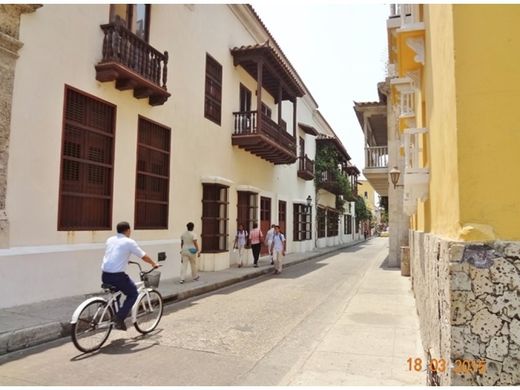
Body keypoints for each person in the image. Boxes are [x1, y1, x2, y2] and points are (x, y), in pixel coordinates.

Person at [101, 221, 159, 331]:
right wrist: (153, 263)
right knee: (133, 293)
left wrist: (124, 260)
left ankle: (117, 319)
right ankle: (118, 318)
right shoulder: (129, 242)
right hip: (117, 276)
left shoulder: (110, 240)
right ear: (128, 230)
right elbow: (143, 256)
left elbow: (114, 254)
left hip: (105, 275)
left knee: (115, 296)